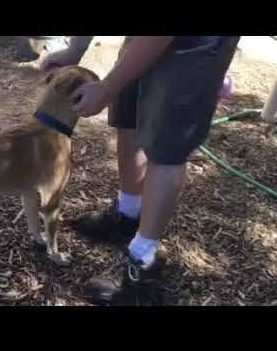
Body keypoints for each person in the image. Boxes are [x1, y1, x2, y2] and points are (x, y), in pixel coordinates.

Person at [41, 36, 240, 305]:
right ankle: (128, 213)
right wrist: (76, 48)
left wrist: (108, 87)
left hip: (196, 45)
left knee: (168, 142)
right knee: (129, 110)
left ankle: (143, 264)